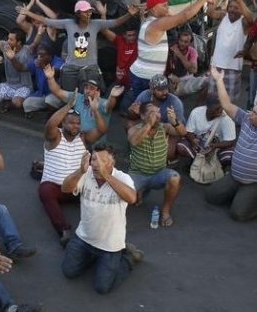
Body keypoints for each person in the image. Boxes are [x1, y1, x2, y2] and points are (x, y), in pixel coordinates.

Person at [205, 67, 257, 221]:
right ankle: (242, 195)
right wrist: (219, 80)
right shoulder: (246, 118)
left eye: (255, 113)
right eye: (252, 110)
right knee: (212, 197)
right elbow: (226, 104)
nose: (251, 113)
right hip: (236, 176)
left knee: (238, 214)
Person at [61, 146, 143, 294]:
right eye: (93, 159)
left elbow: (132, 198)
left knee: (102, 287)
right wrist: (80, 171)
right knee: (68, 272)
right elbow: (65, 188)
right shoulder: (86, 174)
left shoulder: (123, 178)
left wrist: (107, 177)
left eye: (102, 161)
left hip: (110, 244)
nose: (96, 164)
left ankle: (128, 258)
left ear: (112, 163)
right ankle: (91, 257)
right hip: (84, 238)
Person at [20, 0, 138, 91]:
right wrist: (28, 13)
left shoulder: (95, 24)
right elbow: (46, 20)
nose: (89, 13)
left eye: (90, 11)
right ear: (78, 13)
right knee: (69, 95)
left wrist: (129, 14)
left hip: (90, 67)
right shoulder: (68, 23)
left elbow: (116, 22)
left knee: (89, 95)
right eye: (86, 11)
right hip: (71, 67)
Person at [127, 0, 210, 105]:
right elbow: (184, 15)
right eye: (164, 5)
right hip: (146, 78)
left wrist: (163, 10)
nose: (168, 7)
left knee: (145, 111)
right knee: (148, 112)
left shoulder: (150, 21)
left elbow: (177, 16)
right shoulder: (156, 24)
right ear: (155, 8)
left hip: (143, 75)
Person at [40, 97, 88, 246]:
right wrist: (68, 106)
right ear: (63, 123)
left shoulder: (82, 138)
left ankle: (95, 232)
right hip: (57, 187)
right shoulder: (54, 137)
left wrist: (95, 109)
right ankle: (64, 231)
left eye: (78, 123)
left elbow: (102, 130)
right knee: (45, 191)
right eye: (71, 122)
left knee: (97, 187)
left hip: (77, 187)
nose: (75, 126)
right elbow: (50, 124)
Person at [127, 102, 183, 227]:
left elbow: (182, 132)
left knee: (175, 178)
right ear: (142, 116)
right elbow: (135, 141)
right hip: (138, 174)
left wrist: (175, 122)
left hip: (158, 174)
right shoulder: (134, 129)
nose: (157, 115)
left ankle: (166, 212)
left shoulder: (164, 128)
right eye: (152, 113)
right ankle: (141, 190)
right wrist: (148, 124)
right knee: (126, 197)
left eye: (158, 112)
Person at [206, 0, 254, 101]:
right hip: (216, 65)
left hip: (233, 68)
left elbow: (251, 19)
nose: (232, 10)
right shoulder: (224, 16)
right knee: (213, 99)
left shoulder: (243, 22)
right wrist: (214, 0)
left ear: (241, 10)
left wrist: (240, 1)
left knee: (229, 101)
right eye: (230, 7)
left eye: (236, 8)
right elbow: (210, 13)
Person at [174, 97, 237, 166]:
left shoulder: (227, 119)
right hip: (199, 146)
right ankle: (198, 162)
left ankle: (216, 166)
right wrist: (193, 140)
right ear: (208, 107)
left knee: (229, 156)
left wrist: (215, 146)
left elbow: (231, 141)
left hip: (217, 148)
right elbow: (188, 131)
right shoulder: (196, 112)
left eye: (222, 107)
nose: (220, 110)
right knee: (181, 146)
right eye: (217, 109)